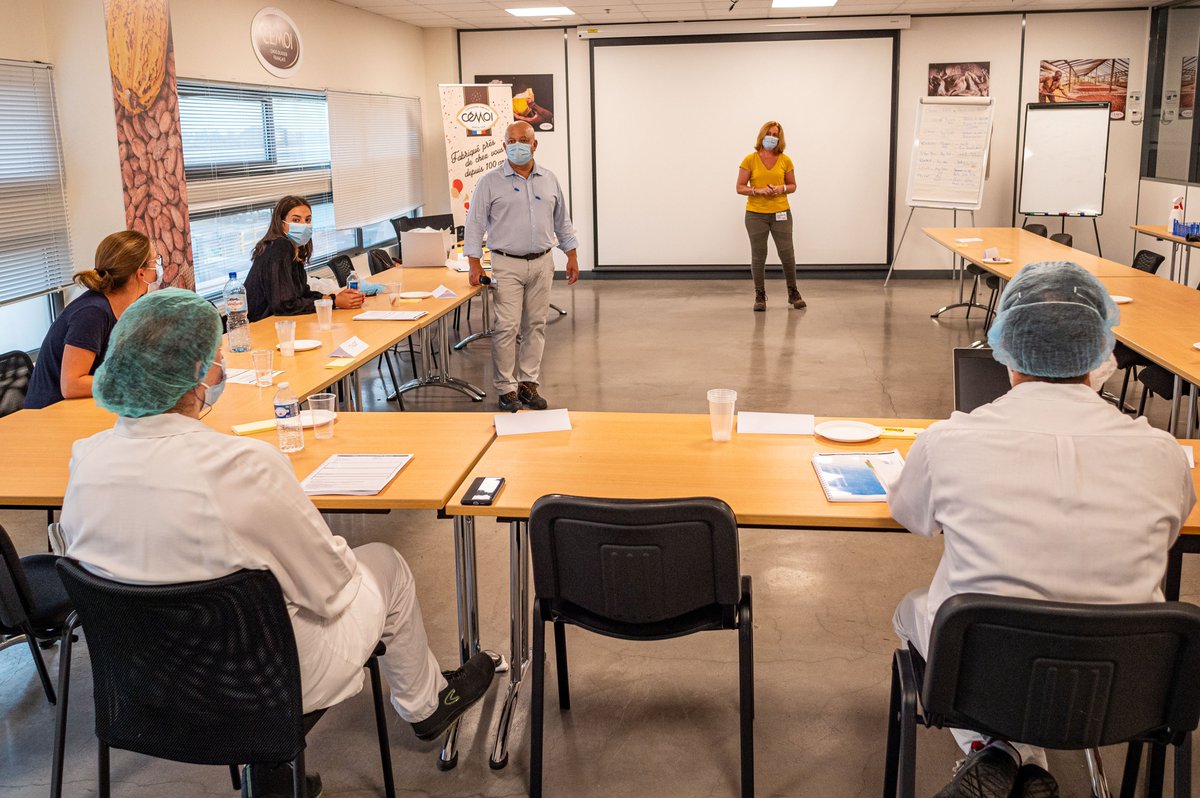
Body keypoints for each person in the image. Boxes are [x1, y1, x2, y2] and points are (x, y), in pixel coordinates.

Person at [59, 289, 495, 798]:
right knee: (385, 564)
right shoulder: (243, 465)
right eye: (219, 361)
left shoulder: (84, 461)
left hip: (146, 683)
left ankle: (269, 772)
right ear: (199, 373)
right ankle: (425, 706)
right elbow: (330, 589)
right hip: (263, 682)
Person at [887, 261, 1195, 798]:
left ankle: (1002, 751)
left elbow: (912, 517)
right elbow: (1170, 528)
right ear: (1101, 355)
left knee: (917, 609)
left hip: (985, 673)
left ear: (1007, 349)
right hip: (1126, 684)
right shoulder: (1162, 453)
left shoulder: (949, 442)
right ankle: (1023, 760)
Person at [465, 120, 578, 412]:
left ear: (534, 144)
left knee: (536, 325)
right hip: (506, 264)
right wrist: (474, 263)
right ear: (503, 146)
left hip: (542, 262)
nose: (517, 146)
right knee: (506, 327)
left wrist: (572, 254)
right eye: (511, 141)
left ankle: (529, 385)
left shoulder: (549, 179)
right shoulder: (489, 182)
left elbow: (562, 220)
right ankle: (507, 389)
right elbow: (475, 224)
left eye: (523, 140)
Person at [24, 230, 161, 409]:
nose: (158, 268)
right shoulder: (92, 312)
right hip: (51, 413)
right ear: (141, 273)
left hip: (83, 406)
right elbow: (71, 385)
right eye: (155, 261)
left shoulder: (125, 307)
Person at [244, 196, 364, 322]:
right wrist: (334, 302)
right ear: (281, 223)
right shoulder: (279, 247)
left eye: (307, 220)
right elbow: (284, 305)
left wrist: (332, 298)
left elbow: (302, 293)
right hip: (259, 327)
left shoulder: (294, 248)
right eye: (296, 220)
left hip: (276, 323)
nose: (304, 225)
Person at [736, 121, 805, 312]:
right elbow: (740, 187)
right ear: (762, 135)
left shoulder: (785, 160)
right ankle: (760, 295)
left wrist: (780, 188)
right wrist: (757, 191)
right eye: (769, 133)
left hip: (781, 212)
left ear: (780, 139)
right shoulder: (749, 159)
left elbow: (792, 185)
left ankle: (793, 293)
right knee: (758, 255)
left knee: (787, 254)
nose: (772, 138)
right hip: (755, 214)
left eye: (775, 135)